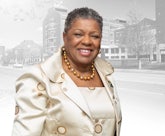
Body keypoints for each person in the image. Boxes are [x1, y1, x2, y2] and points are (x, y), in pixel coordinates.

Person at [12, 7, 122, 136]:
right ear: (65, 37)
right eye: (78, 34)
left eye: (95, 36)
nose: (87, 41)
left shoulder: (107, 76)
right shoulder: (37, 79)